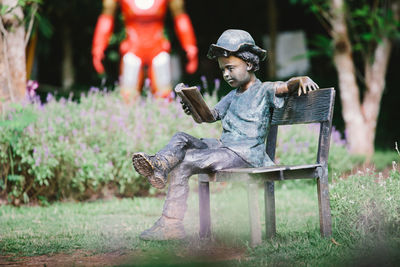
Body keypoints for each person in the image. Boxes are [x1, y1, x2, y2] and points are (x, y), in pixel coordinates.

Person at [132, 29, 319, 240]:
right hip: (225, 148)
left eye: (230, 68)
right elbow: (209, 116)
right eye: (223, 70)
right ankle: (160, 165)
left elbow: (285, 87)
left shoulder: (264, 89)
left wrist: (300, 79)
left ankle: (171, 224)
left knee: (185, 162)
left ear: (249, 64)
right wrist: (192, 105)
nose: (226, 74)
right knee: (181, 138)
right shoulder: (232, 96)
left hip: (245, 154)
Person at [92, 0, 198, 103]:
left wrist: (190, 46)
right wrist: (98, 47)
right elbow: (106, 18)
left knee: (164, 97)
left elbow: (180, 18)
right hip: (133, 49)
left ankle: (161, 118)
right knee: (128, 97)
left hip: (157, 49)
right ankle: (128, 119)